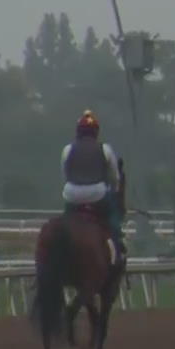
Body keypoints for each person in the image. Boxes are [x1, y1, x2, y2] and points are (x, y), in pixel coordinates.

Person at [61, 110, 126, 259]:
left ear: (78, 132)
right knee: (113, 217)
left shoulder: (67, 149)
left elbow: (65, 175)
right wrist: (114, 191)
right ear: (96, 132)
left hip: (72, 195)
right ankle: (118, 243)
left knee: (65, 221)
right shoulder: (105, 149)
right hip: (98, 195)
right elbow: (115, 178)